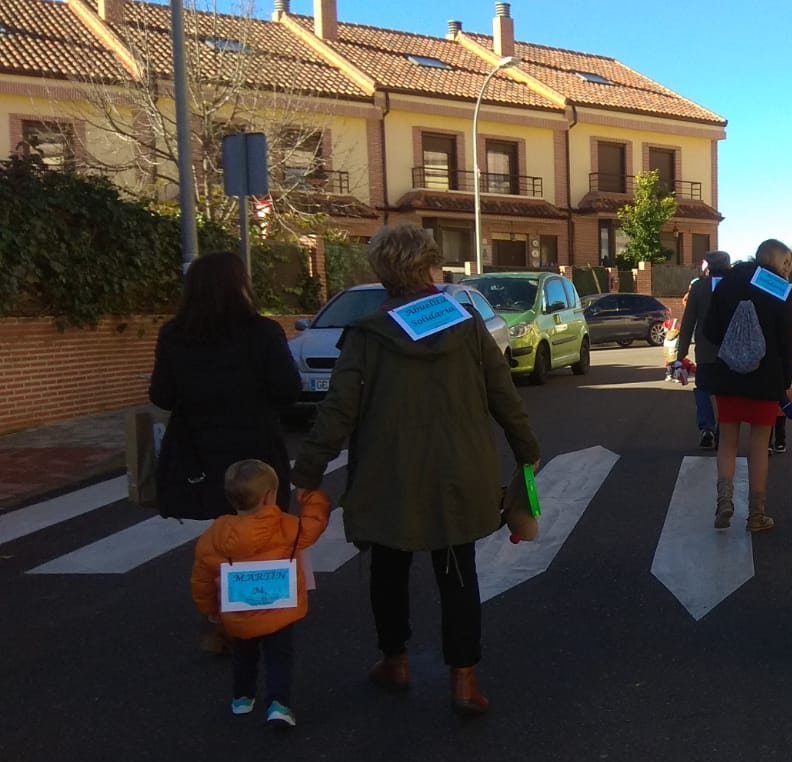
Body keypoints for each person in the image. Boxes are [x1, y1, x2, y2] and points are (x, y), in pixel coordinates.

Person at [290, 224, 541, 715]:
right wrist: (526, 450)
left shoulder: (365, 337)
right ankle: (464, 679)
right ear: (429, 268)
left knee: (388, 567)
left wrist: (308, 473)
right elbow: (503, 397)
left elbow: (338, 411)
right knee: (458, 572)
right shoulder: (467, 328)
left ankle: (395, 661)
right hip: (459, 471)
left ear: (383, 274)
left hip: (389, 476)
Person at [149, 251, 300, 656]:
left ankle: (218, 624)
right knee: (261, 536)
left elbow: (160, 395)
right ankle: (260, 618)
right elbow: (288, 390)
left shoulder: (174, 335)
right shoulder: (263, 333)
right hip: (256, 452)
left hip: (200, 452)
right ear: (240, 286)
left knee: (222, 539)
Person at [191, 459, 331, 730]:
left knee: (244, 653)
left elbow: (202, 578)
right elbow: (315, 524)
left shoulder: (213, 537)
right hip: (280, 608)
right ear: (270, 496)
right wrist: (311, 496)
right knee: (279, 656)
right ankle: (279, 704)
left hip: (238, 610)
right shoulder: (287, 528)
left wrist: (209, 609)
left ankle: (242, 697)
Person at [699, 239, 792, 533]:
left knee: (727, 441)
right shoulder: (779, 288)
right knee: (759, 446)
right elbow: (785, 342)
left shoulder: (728, 281)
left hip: (728, 373)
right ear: (782, 262)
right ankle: (756, 515)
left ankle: (724, 502)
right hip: (766, 379)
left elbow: (710, 330)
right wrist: (784, 382)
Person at [674, 250, 734, 449]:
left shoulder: (699, 287)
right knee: (726, 392)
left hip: (706, 349)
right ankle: (723, 430)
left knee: (703, 389)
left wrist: (680, 354)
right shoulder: (735, 286)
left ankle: (706, 427)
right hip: (731, 350)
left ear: (708, 267)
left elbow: (688, 321)